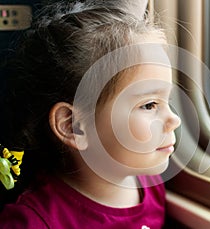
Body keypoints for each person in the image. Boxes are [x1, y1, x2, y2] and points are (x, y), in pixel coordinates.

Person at [0, 0, 181, 228]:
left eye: (168, 101)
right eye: (150, 105)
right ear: (74, 126)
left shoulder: (151, 185)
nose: (175, 119)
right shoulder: (34, 222)